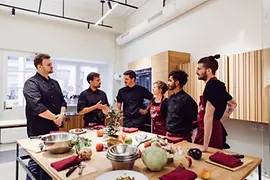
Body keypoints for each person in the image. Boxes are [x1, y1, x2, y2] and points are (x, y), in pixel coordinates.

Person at [23, 54, 67, 180]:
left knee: (50, 162)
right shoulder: (31, 83)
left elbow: (63, 102)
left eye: (51, 63)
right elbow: (37, 107)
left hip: (54, 128)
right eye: (48, 64)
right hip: (38, 130)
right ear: (39, 66)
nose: (52, 66)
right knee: (36, 162)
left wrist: (62, 115)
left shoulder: (55, 83)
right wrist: (55, 118)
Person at [195, 54, 237, 151]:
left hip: (209, 135)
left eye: (199, 69)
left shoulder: (212, 86)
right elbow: (233, 103)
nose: (197, 72)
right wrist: (219, 121)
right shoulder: (217, 85)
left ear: (208, 70)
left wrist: (205, 147)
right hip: (211, 130)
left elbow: (208, 116)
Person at [166, 70, 198, 142]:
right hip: (169, 134)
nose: (168, 83)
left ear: (177, 83)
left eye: (170, 81)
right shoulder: (170, 98)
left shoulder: (187, 100)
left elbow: (193, 120)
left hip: (182, 137)